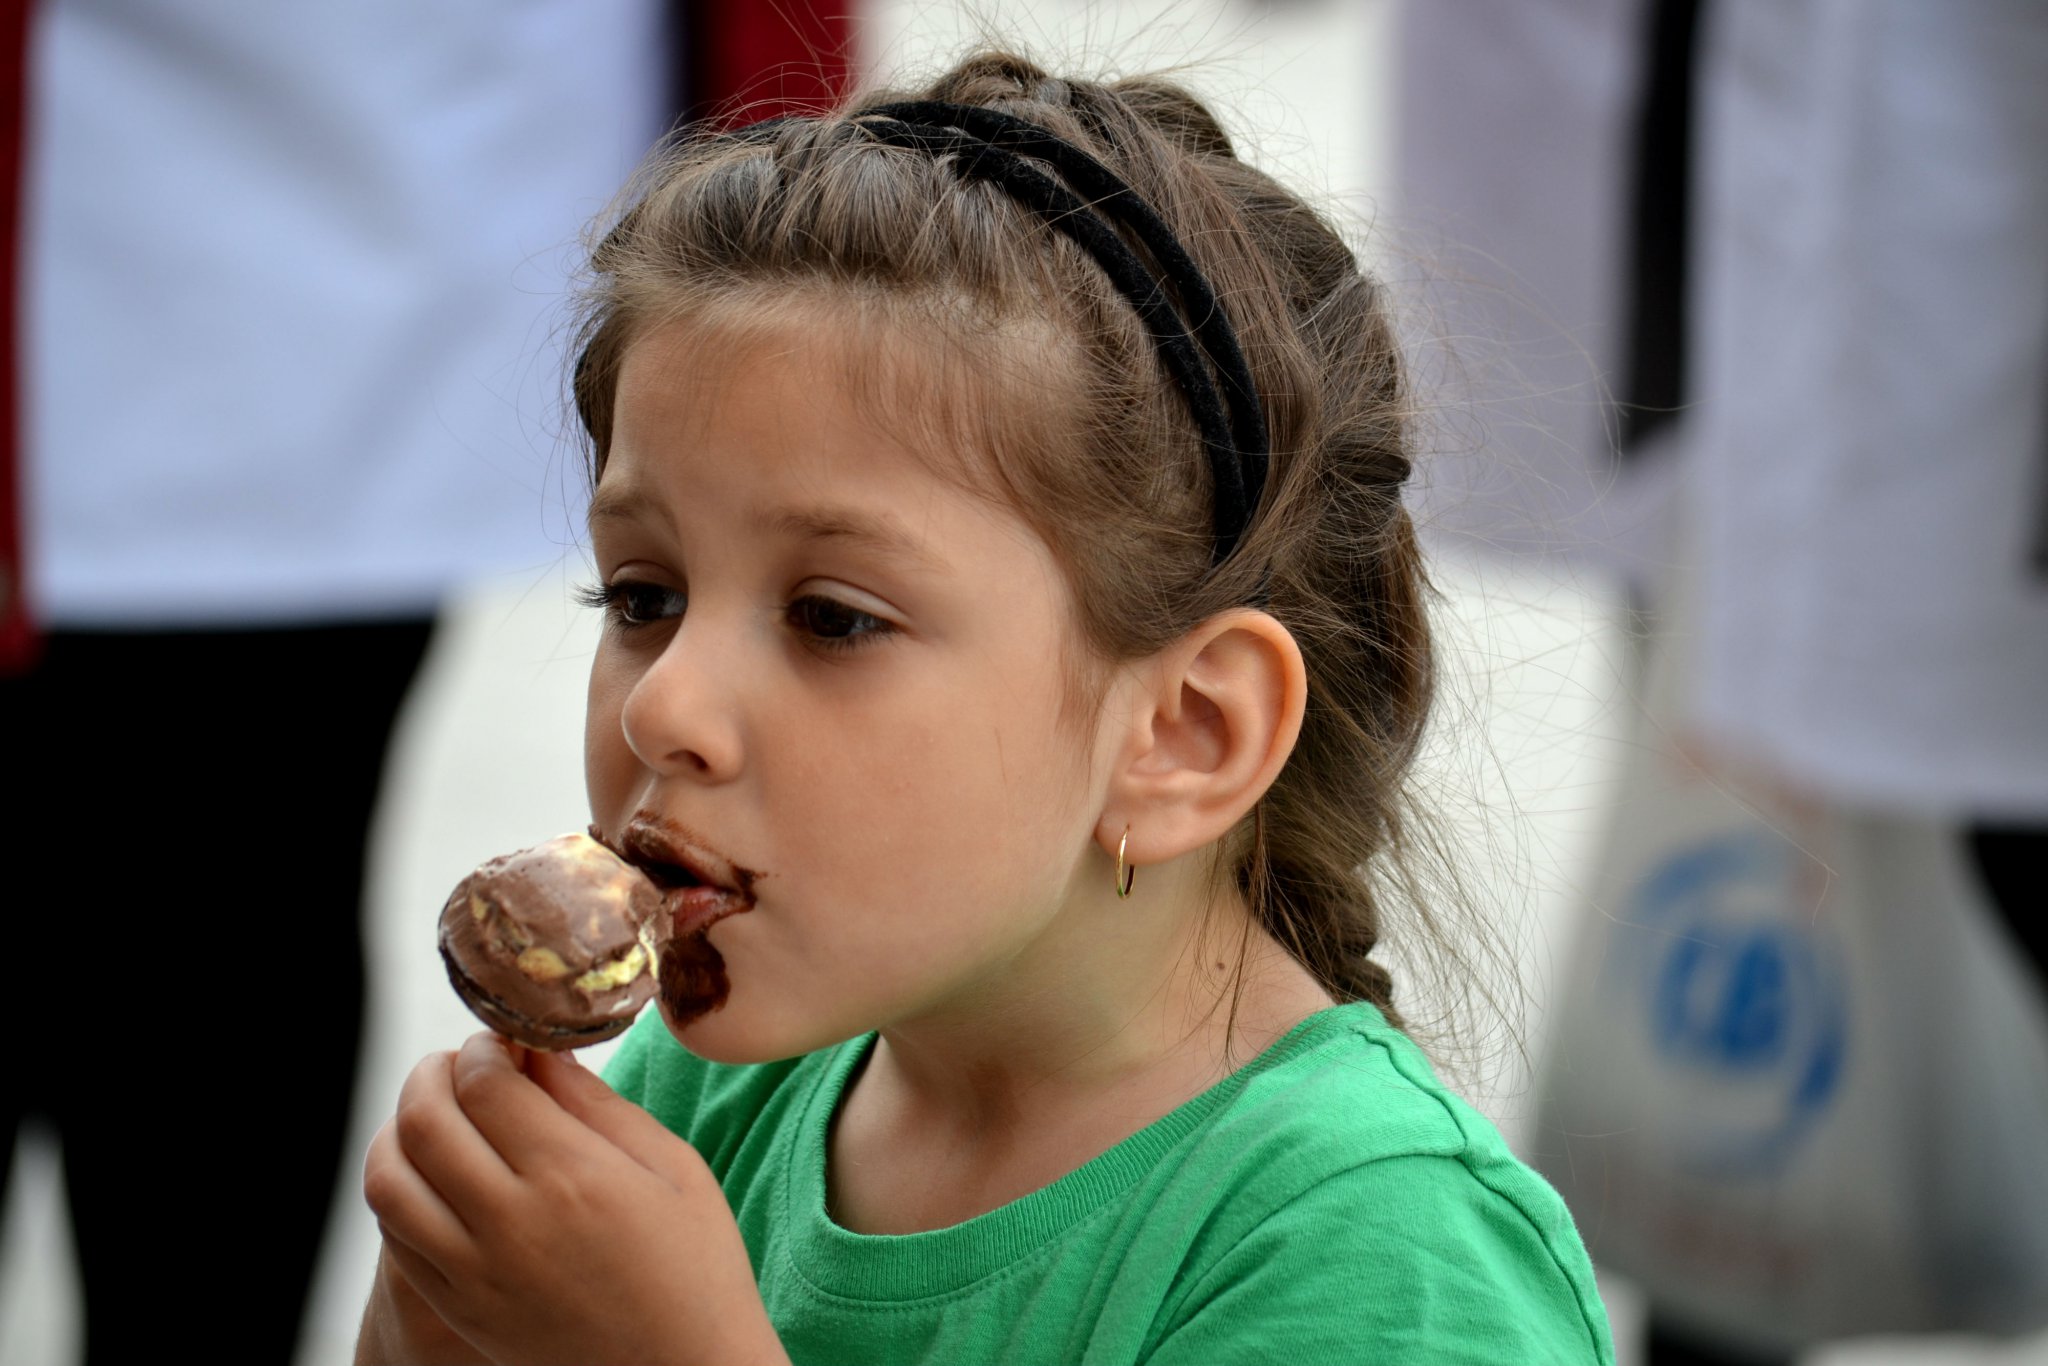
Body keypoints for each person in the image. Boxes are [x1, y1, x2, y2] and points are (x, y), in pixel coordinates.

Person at [354, 53, 1617, 1366]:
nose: (663, 705)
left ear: (1183, 734)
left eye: (833, 618)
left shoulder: (1376, 1260)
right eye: (643, 596)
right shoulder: (717, 1082)